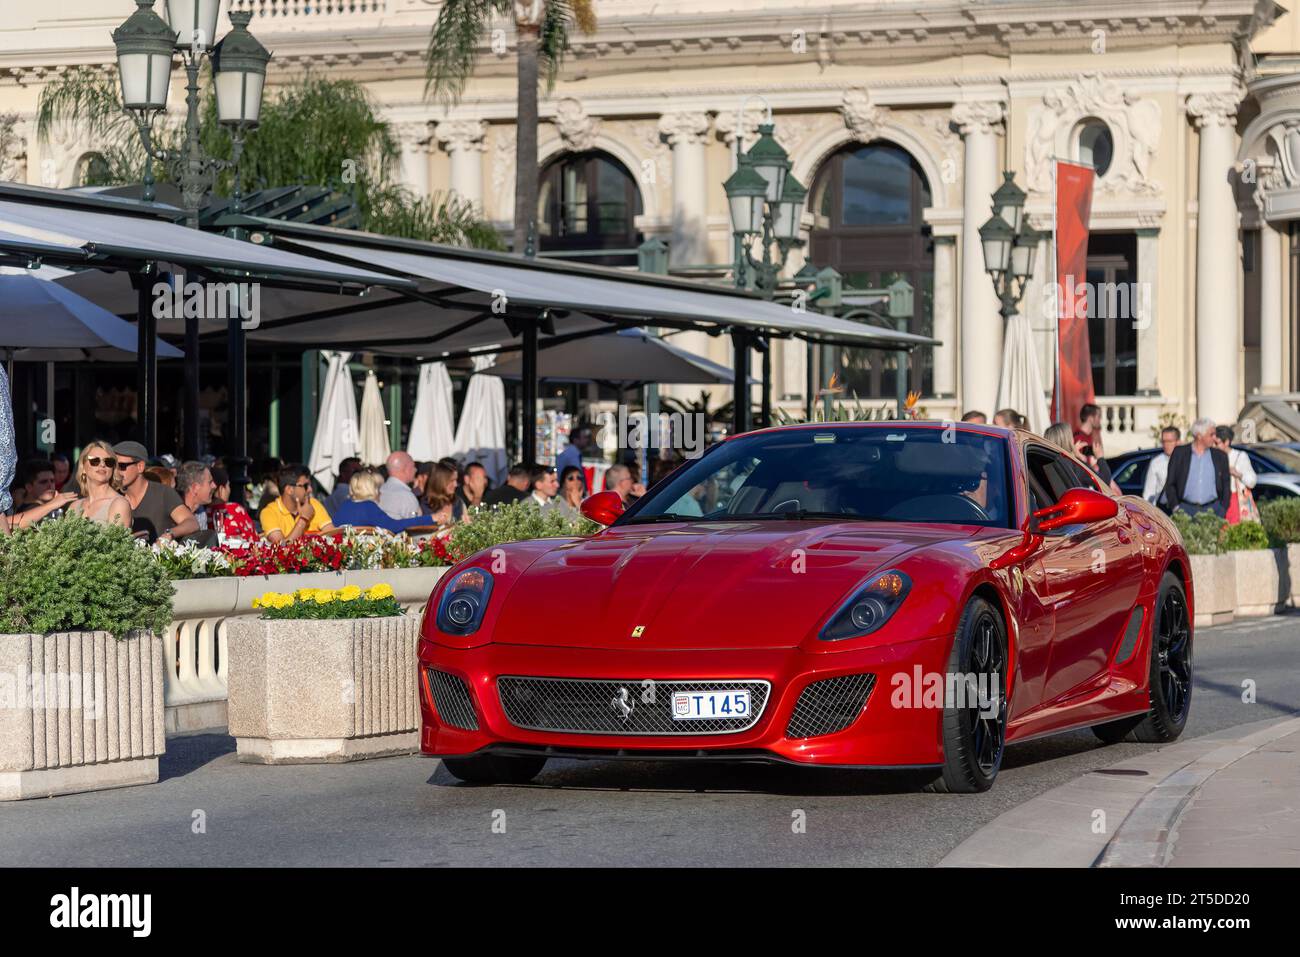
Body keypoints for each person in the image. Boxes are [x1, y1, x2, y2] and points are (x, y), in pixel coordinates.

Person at [113, 440, 198, 543]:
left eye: (122, 466)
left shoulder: (163, 493)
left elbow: (191, 522)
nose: (116, 472)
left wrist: (169, 534)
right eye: (113, 466)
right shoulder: (114, 496)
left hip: (157, 557)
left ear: (140, 466)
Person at [1162, 418, 1231, 517]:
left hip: (1213, 510)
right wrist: (1176, 507)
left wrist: (1223, 508)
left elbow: (1226, 484)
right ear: (1199, 435)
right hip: (1185, 510)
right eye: (1211, 434)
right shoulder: (1180, 453)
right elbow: (1170, 483)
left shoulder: (1220, 456)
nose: (1215, 438)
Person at [331, 467, 433, 534]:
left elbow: (333, 528)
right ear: (372, 488)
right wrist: (430, 518)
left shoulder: (345, 505)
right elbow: (394, 526)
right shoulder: (368, 507)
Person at [260, 464, 334, 542]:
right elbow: (281, 548)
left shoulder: (313, 504)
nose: (310, 489)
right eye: (305, 486)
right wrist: (304, 519)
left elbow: (333, 536)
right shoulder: (269, 512)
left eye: (310, 484)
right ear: (289, 490)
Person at [67, 441, 131, 528]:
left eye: (108, 462)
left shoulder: (119, 504)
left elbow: (116, 541)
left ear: (113, 469)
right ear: (83, 468)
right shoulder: (74, 507)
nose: (102, 465)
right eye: (95, 461)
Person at [1214, 425, 1258, 524]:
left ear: (1227, 442)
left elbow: (1252, 481)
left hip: (1235, 500)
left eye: (1217, 443)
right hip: (1218, 500)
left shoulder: (1239, 457)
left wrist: (1237, 473)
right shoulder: (1213, 457)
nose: (1214, 446)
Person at [207, 465, 259, 544]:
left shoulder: (201, 512)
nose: (229, 490)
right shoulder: (235, 509)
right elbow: (254, 539)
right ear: (221, 489)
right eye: (228, 485)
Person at [174, 460, 219, 546]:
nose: (214, 486)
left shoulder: (200, 512)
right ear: (195, 488)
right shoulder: (174, 515)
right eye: (210, 482)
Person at [1142, 426, 1180, 508]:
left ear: (1178, 442)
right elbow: (1149, 492)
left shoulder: (1186, 459)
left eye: (1169, 441)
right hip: (1163, 509)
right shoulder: (1156, 462)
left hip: (1182, 509)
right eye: (1163, 441)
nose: (1166, 445)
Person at [379, 450, 423, 520]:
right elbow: (415, 526)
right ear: (406, 469)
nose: (416, 470)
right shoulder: (406, 496)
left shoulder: (379, 490)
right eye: (413, 466)